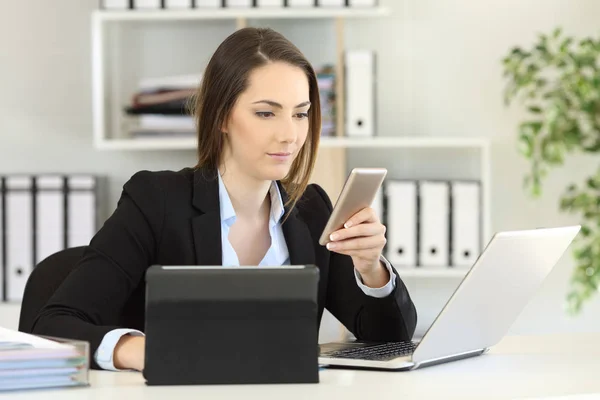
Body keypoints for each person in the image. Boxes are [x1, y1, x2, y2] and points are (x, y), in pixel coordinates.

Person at [31, 27, 417, 372]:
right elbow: (53, 325)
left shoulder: (310, 209)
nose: (290, 135)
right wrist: (145, 350)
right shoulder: (156, 201)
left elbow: (389, 337)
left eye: (301, 115)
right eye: (266, 113)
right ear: (221, 116)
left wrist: (370, 268)